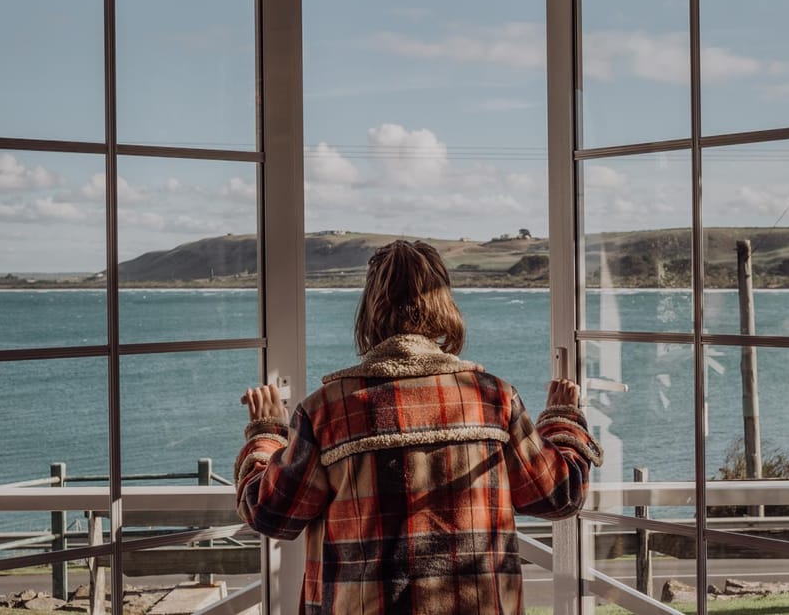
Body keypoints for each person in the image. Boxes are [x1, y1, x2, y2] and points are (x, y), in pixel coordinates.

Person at [234, 239, 603, 615]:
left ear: (370, 310)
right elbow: (560, 495)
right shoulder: (494, 399)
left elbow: (271, 514)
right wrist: (562, 418)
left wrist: (265, 433)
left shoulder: (327, 410)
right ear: (444, 305)